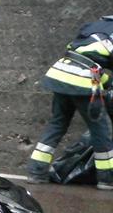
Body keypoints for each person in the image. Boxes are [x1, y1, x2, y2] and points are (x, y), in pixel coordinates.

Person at [27, 16, 113, 189]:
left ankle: (36, 172)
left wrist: (105, 79)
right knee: (100, 129)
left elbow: (80, 52)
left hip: (61, 72)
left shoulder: (94, 26)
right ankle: (106, 178)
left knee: (57, 124)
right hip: (83, 78)